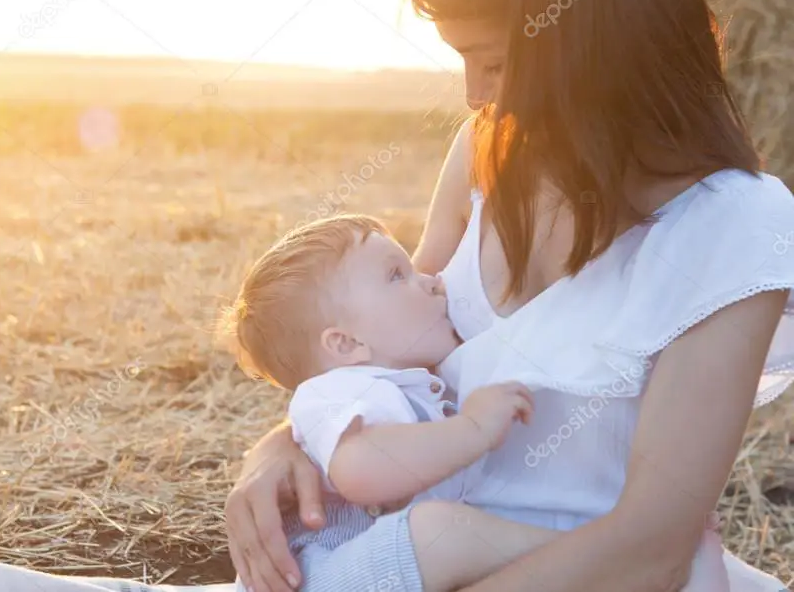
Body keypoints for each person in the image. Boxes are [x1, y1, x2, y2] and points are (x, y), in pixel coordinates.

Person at [223, 0, 794, 591]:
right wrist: (282, 445)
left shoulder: (734, 225)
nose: (472, 95)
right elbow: (382, 348)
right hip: (413, 567)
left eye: (491, 61)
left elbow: (651, 549)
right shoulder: (484, 152)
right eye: (460, 59)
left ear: (586, 38)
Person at [219, 213, 728, 592]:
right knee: (439, 531)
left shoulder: (402, 382)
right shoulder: (338, 391)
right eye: (397, 275)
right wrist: (472, 429)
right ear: (345, 343)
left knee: (456, 538)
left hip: (380, 569)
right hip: (322, 574)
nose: (432, 278)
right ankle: (617, 559)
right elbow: (360, 471)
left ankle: (631, 561)